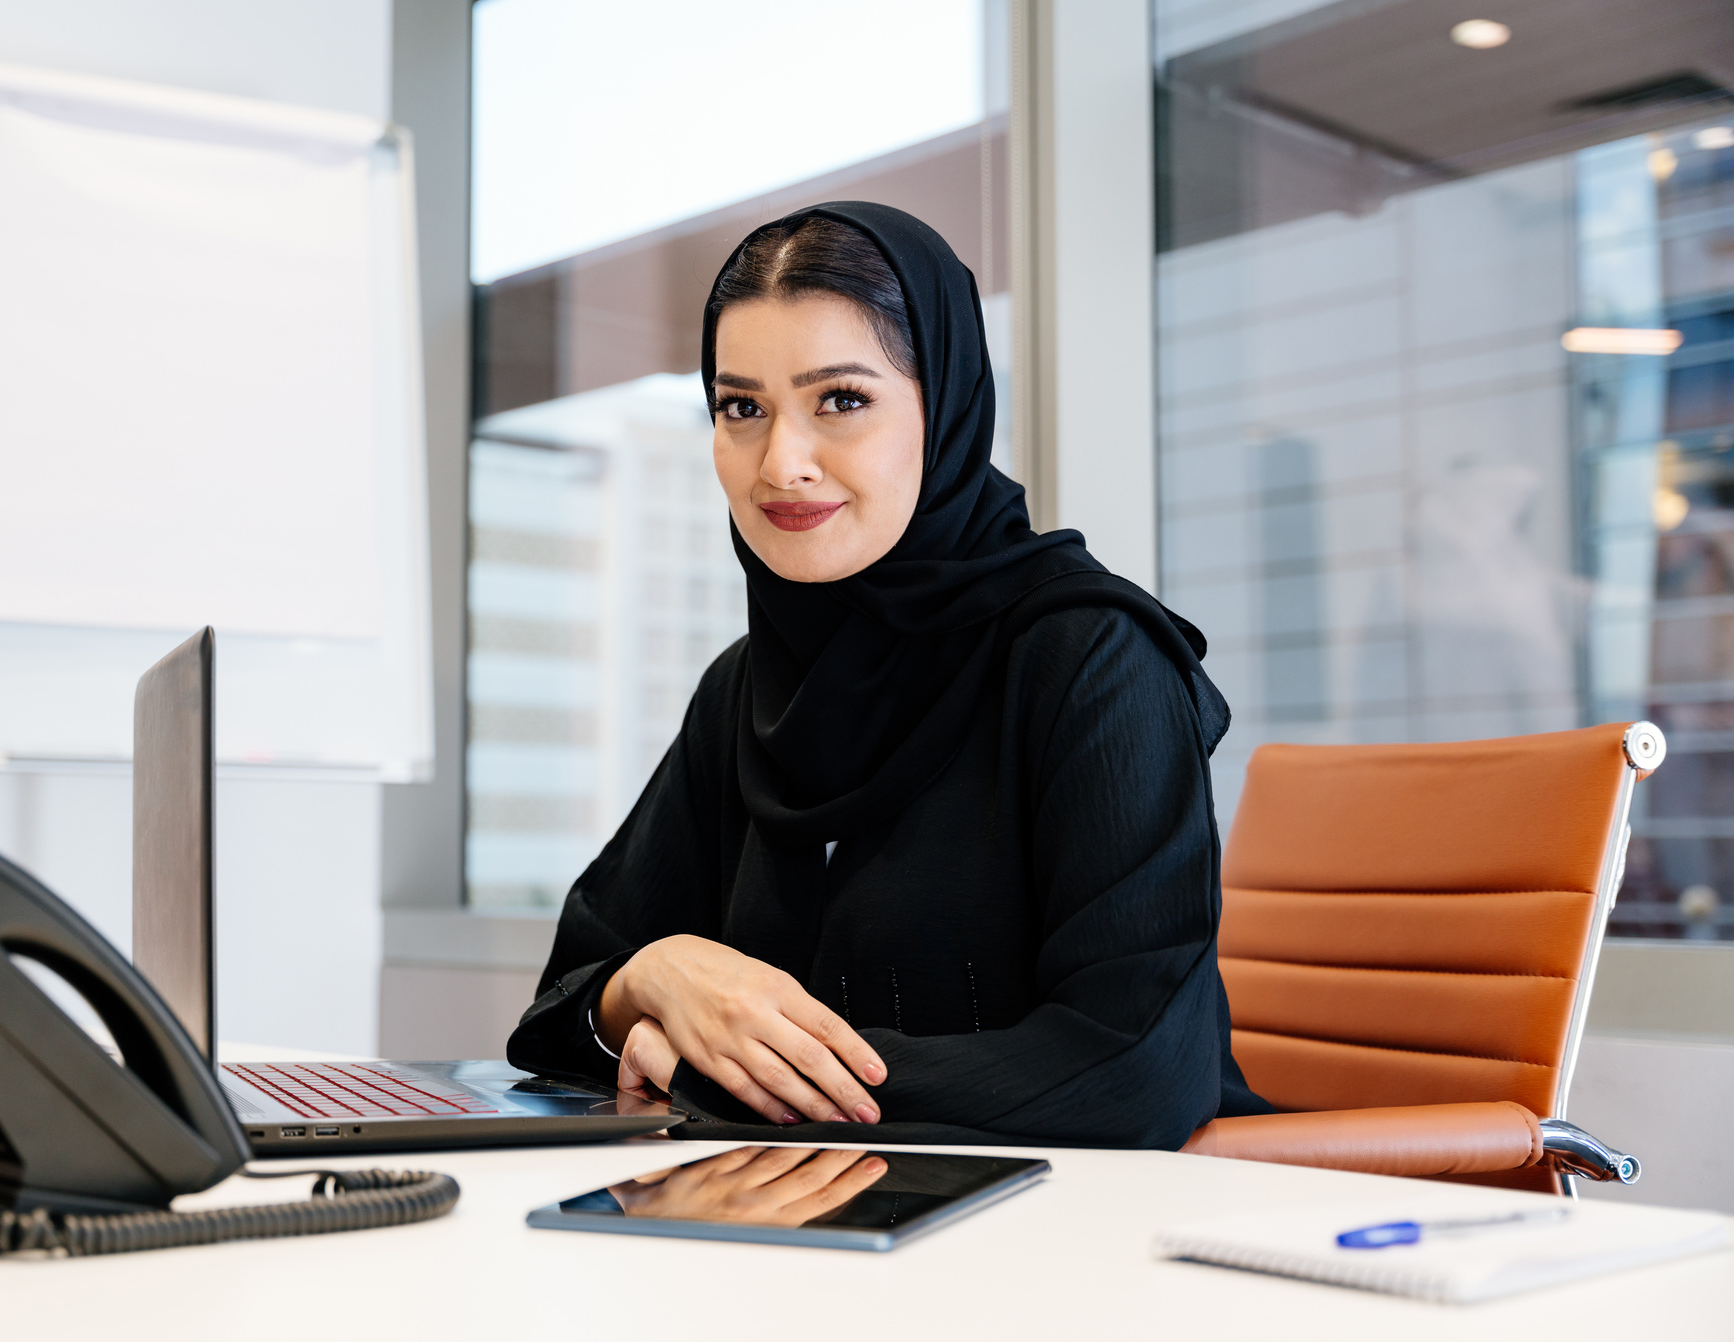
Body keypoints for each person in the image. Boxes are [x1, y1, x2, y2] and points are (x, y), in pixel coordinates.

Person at [505, 201, 1269, 1147]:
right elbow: (558, 1011)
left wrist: (733, 1076)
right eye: (741, 408)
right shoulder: (750, 688)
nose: (781, 463)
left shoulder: (1090, 660)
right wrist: (655, 975)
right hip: (794, 1232)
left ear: (941, 408)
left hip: (1066, 1242)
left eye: (842, 400)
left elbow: (1136, 1066)